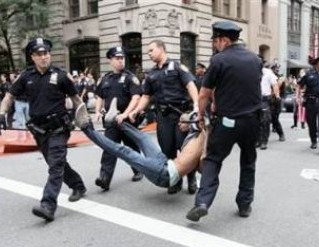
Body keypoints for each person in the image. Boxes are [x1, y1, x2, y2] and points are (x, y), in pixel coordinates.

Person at [0, 38, 87, 222]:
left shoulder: (61, 75)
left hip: (58, 128)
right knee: (56, 163)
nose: (44, 57)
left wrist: (84, 120)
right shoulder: (26, 76)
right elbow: (9, 96)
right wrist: (2, 113)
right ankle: (78, 185)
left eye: (46, 53)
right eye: (39, 54)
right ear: (32, 57)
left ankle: (48, 205)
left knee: (55, 165)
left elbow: (76, 99)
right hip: (39, 130)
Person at [186, 21, 262, 222]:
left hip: (227, 122)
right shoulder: (255, 59)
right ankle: (245, 205)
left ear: (224, 40)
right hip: (252, 121)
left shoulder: (219, 60)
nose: (214, 45)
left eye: (216, 41)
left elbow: (204, 93)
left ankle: (202, 203)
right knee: (248, 161)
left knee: (212, 160)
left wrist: (201, 115)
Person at [74, 101, 206, 189]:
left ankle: (86, 127)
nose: (178, 124)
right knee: (143, 138)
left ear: (195, 123)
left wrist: (199, 158)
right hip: (164, 162)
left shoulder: (202, 138)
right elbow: (196, 113)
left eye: (182, 122)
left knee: (123, 150)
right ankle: (114, 121)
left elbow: (202, 168)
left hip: (164, 175)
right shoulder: (193, 130)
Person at [129, 39, 199, 195]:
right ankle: (176, 180)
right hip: (163, 117)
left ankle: (192, 179)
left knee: (186, 149)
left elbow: (190, 85)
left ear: (161, 49)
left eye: (151, 50)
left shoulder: (177, 67)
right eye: (148, 51)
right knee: (168, 151)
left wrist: (196, 105)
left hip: (181, 116)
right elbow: (146, 96)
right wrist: (136, 110)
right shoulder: (151, 74)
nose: (149, 53)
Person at [93, 46, 143, 190]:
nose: (121, 61)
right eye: (117, 58)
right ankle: (104, 179)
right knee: (109, 148)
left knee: (131, 148)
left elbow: (136, 97)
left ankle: (138, 169)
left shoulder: (130, 77)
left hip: (126, 121)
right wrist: (97, 111)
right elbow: (99, 97)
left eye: (122, 58)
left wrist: (125, 114)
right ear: (110, 60)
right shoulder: (105, 78)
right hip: (111, 121)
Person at [258, 62, 282, 150]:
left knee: (267, 120)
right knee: (255, 121)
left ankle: (264, 141)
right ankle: (257, 140)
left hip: (266, 99)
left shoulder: (268, 73)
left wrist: (276, 95)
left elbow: (276, 84)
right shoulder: (250, 71)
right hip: (254, 99)